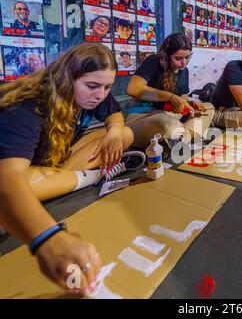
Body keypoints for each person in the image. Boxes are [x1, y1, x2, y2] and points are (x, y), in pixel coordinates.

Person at [0, 43, 140, 296]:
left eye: (108, 87)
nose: (100, 95)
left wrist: (115, 130)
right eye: (93, 86)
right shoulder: (30, 102)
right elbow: (8, 177)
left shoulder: (92, 93)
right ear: (67, 77)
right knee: (19, 183)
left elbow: (116, 117)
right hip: (17, 175)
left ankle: (73, 179)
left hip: (50, 167)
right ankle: (94, 177)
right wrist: (48, 238)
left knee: (126, 134)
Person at [126, 33, 215, 151]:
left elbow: (182, 99)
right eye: (178, 58)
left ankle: (182, 136)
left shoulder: (184, 71)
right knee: (167, 124)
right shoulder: (154, 61)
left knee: (208, 107)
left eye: (187, 57)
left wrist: (190, 104)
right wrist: (170, 97)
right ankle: (185, 136)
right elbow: (133, 89)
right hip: (144, 116)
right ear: (167, 56)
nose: (184, 62)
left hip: (170, 114)